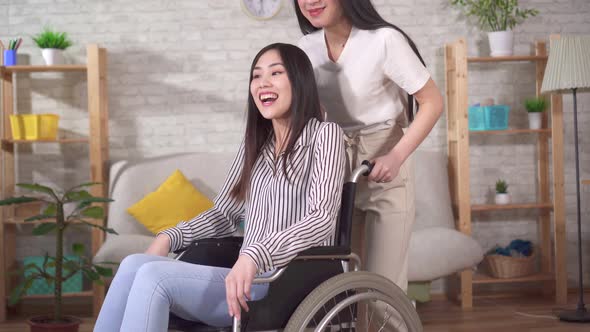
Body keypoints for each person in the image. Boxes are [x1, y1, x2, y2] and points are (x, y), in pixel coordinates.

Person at [94, 43, 346, 332]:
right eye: (256, 76)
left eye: (275, 73)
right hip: (244, 276)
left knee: (153, 276)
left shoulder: (325, 135)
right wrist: (169, 237)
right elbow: (224, 215)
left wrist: (255, 254)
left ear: (299, 82)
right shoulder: (256, 146)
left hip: (285, 281)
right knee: (132, 264)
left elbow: (321, 218)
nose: (263, 82)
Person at [294, 0, 444, 293]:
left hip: (384, 161)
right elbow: (310, 114)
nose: (309, 1)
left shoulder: (384, 40)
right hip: (334, 166)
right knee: (346, 290)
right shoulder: (305, 48)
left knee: (380, 292)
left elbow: (433, 102)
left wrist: (396, 156)